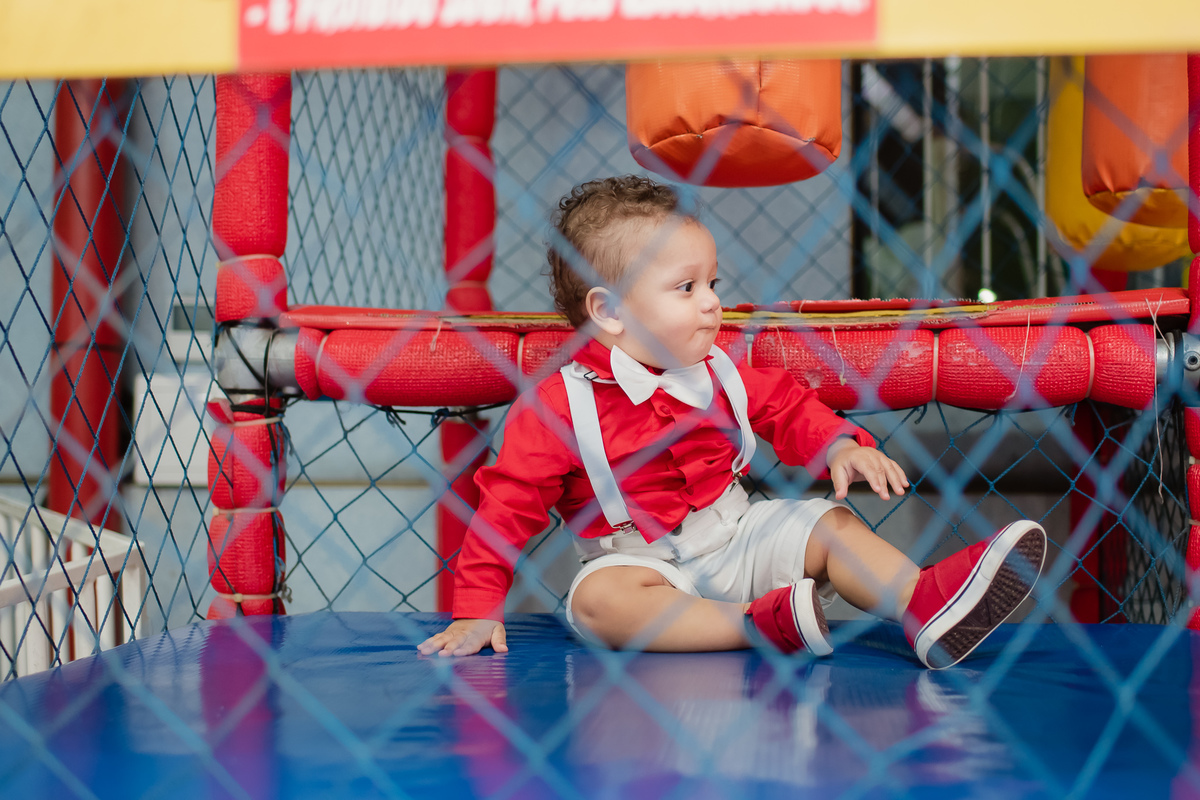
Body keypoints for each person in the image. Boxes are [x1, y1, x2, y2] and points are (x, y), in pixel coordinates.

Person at [418, 175, 1046, 669]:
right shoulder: (559, 405)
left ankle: (924, 605)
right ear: (609, 312)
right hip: (642, 563)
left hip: (740, 533)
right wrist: (476, 608)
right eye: (686, 288)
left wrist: (838, 444)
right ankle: (755, 624)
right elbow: (506, 509)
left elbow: (788, 407)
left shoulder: (724, 368)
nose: (714, 302)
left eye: (712, 281)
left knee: (831, 524)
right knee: (598, 603)